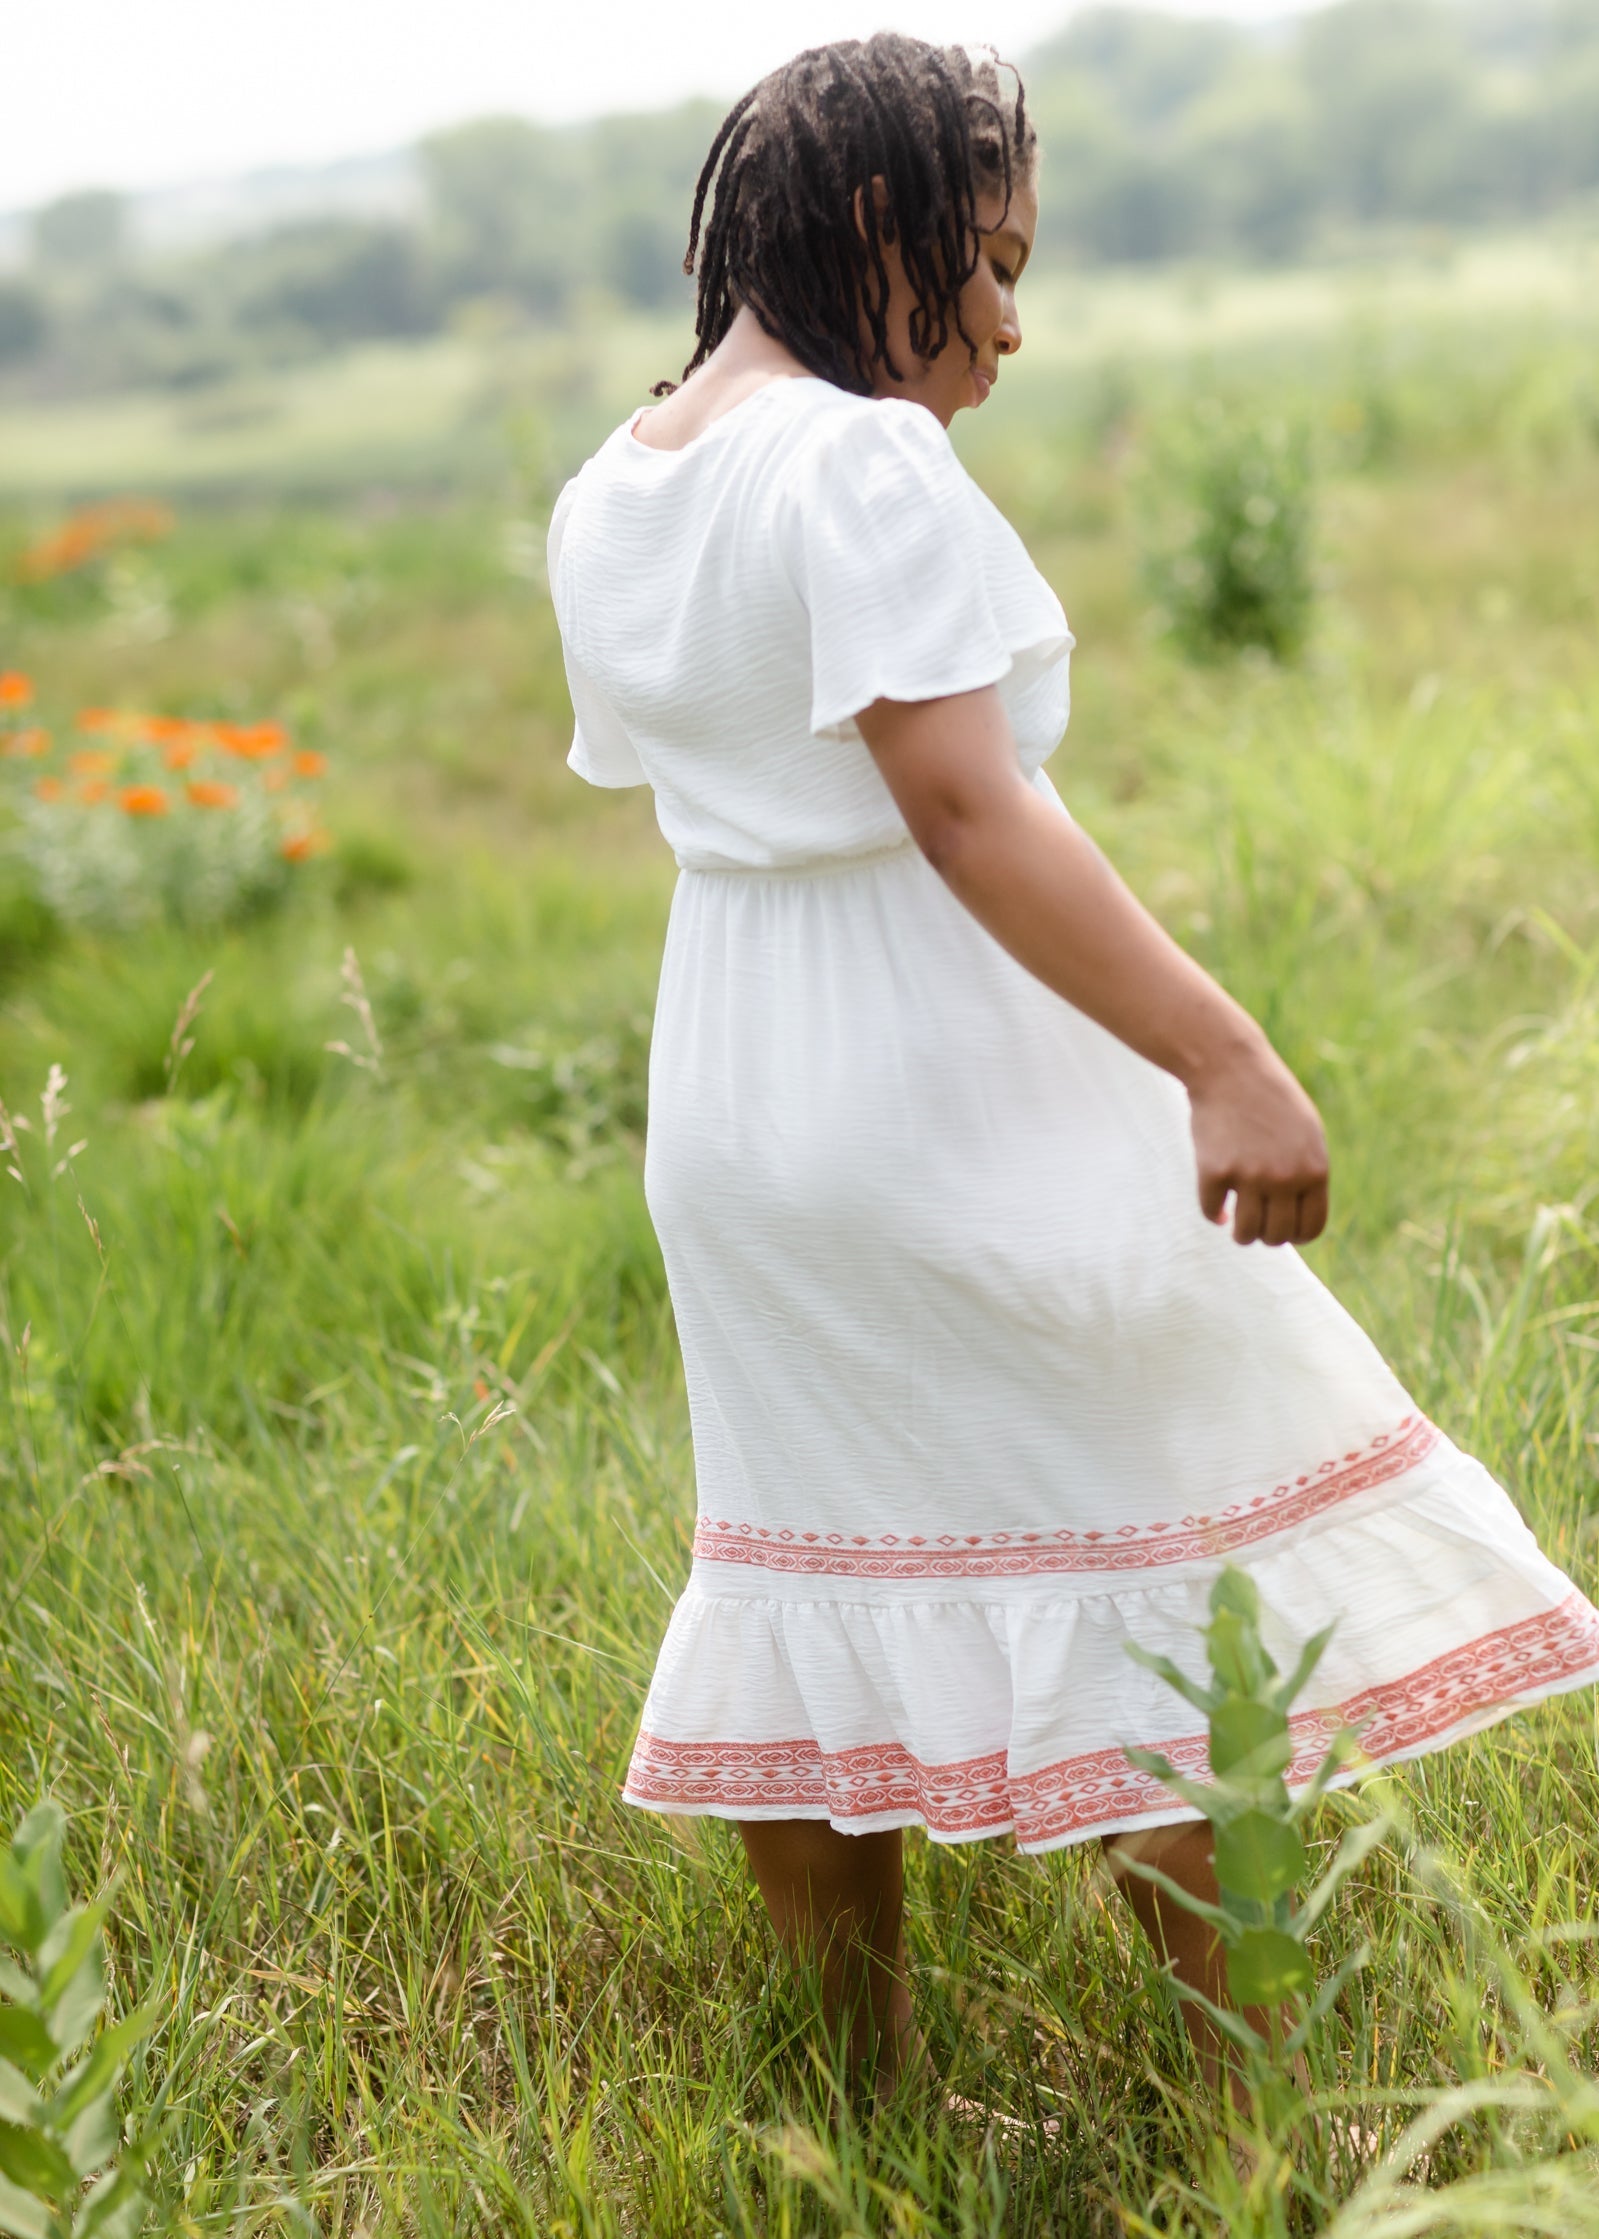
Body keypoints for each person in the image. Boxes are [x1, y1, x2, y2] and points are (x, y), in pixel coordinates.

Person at [546, 34, 1599, 2105]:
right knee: (1144, 1536)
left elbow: (722, 785)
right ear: (879, 225)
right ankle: (1244, 2107)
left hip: (743, 1081)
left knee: (806, 1543)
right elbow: (961, 808)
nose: (1014, 323)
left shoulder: (618, 477)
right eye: (993, 261)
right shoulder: (855, 458)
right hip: (938, 1067)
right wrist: (1223, 1052)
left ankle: (858, 2087)